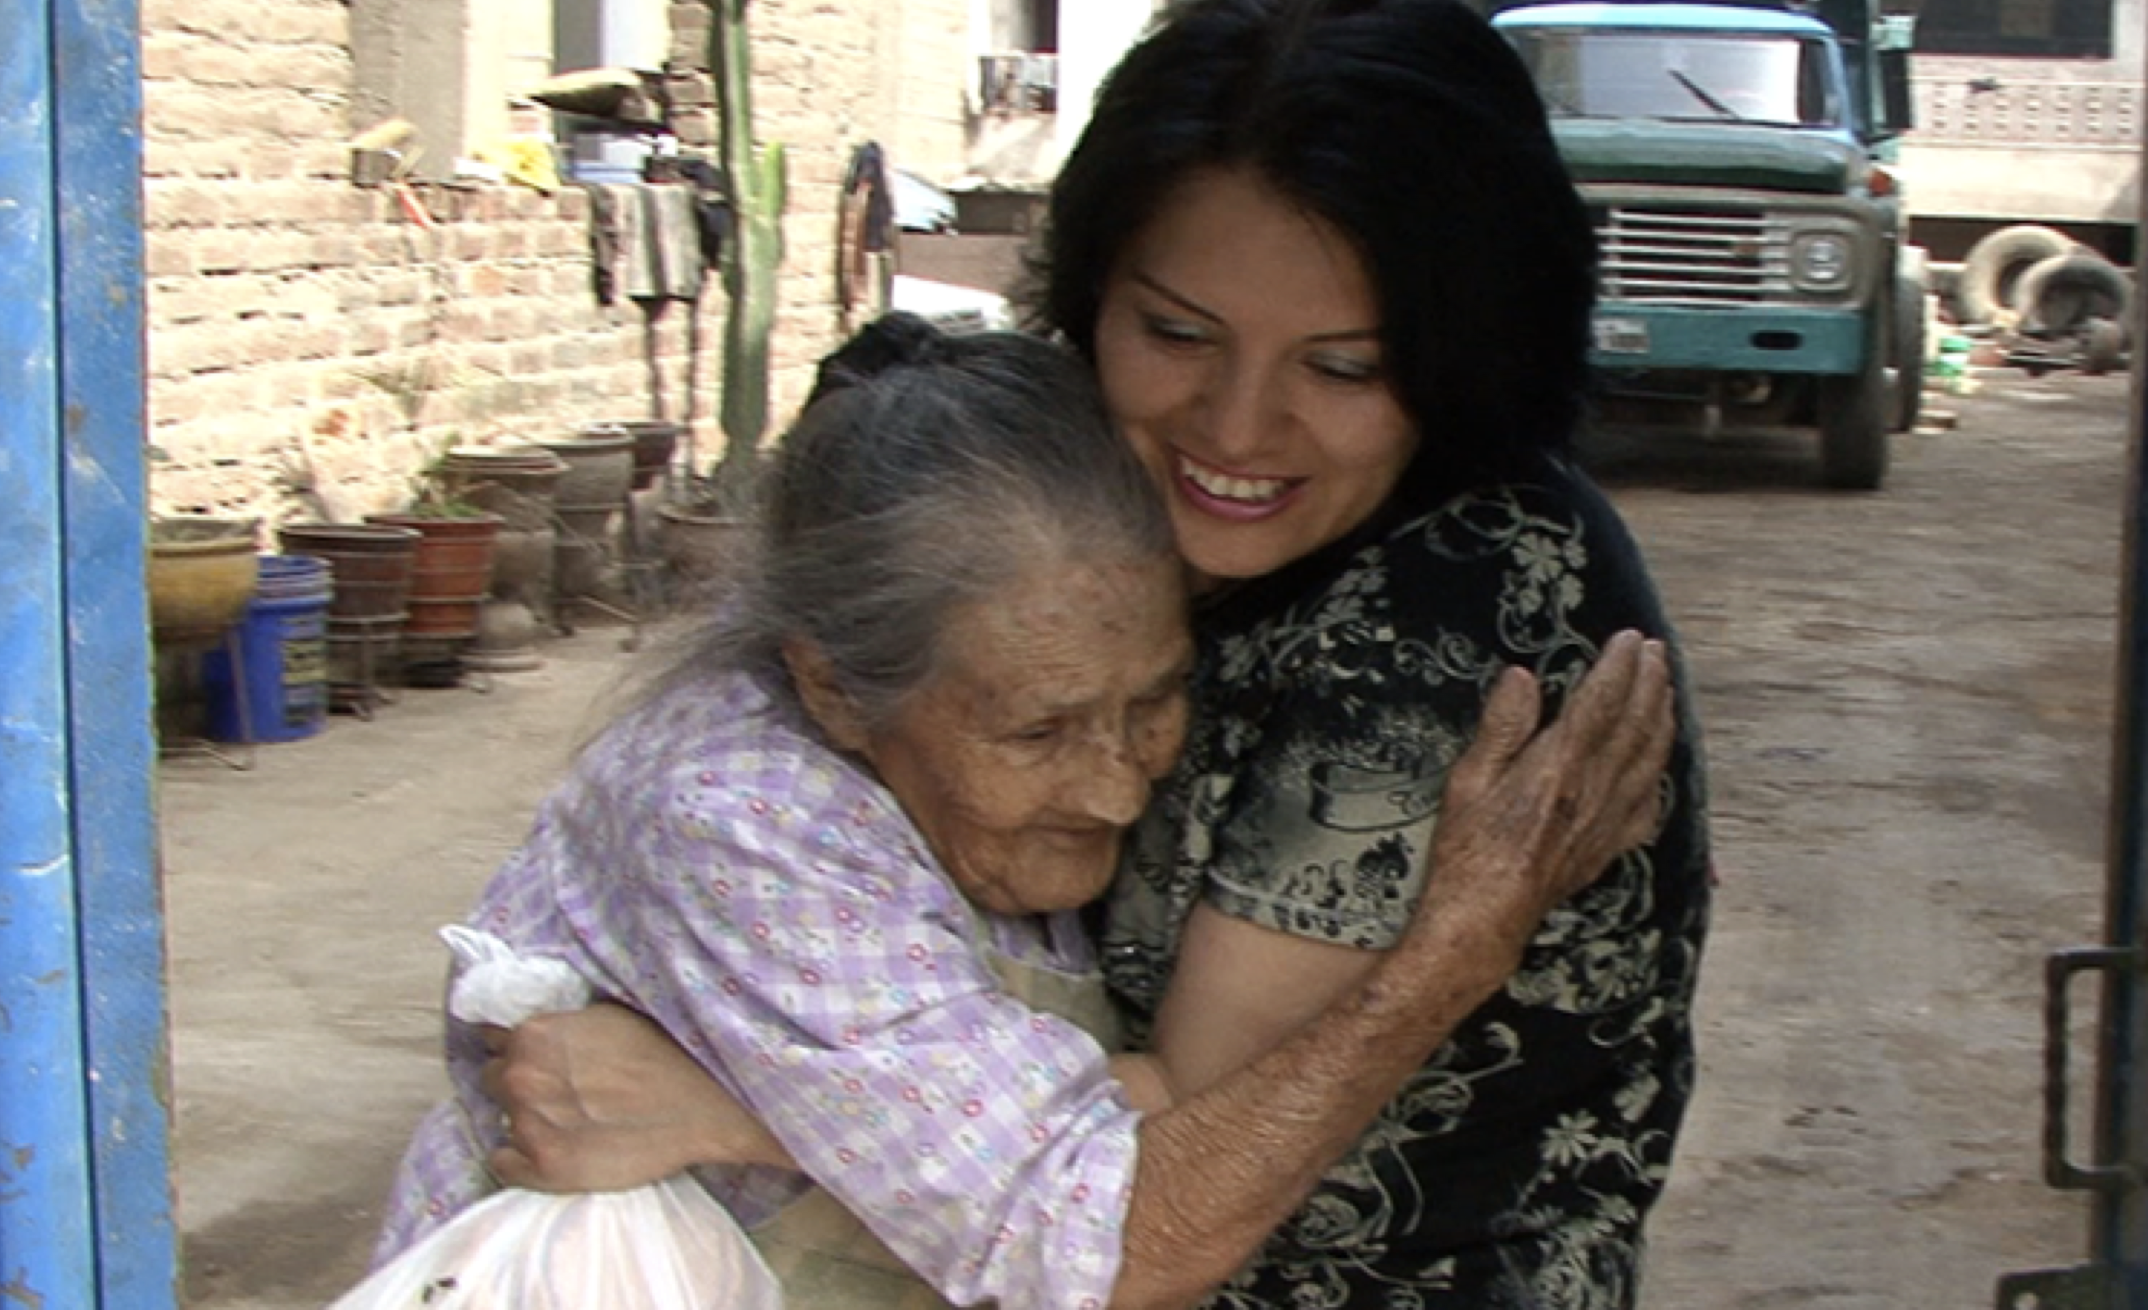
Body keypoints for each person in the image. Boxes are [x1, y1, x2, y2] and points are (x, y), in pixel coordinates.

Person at [374, 314, 1678, 1310]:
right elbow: (1083, 1233)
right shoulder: (735, 815)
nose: (1119, 782)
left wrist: (734, 1112)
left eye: (1153, 702)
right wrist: (1451, 953)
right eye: (1041, 731)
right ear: (834, 687)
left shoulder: (1011, 760)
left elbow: (1050, 1124)